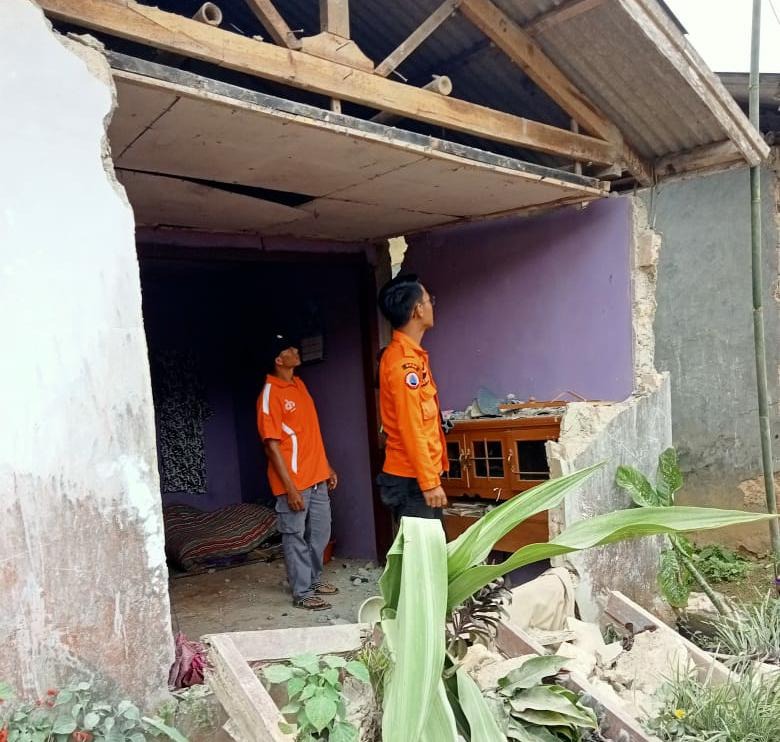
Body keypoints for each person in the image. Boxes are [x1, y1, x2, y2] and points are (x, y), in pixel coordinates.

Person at [256, 334, 339, 611]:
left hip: (316, 476)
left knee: (320, 533)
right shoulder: (270, 395)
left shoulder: (299, 385)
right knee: (295, 536)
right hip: (294, 482)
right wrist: (290, 488)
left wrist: (326, 466)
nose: (295, 350)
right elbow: (272, 446)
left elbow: (308, 434)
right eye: (289, 348)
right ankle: (302, 592)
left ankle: (313, 580)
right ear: (279, 360)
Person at [376, 274, 448, 522]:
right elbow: (411, 426)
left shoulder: (414, 357)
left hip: (419, 474)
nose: (431, 306)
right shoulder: (403, 364)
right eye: (429, 300)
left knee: (432, 555)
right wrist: (428, 482)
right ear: (418, 310)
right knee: (421, 558)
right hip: (412, 480)